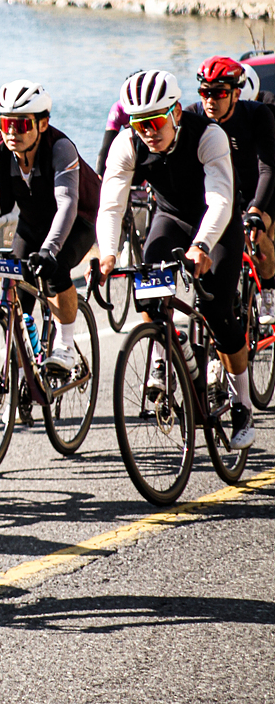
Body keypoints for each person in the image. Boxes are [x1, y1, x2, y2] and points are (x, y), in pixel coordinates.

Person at [97, 70, 254, 448]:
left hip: (216, 224)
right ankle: (164, 351)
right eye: (139, 123)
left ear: (176, 113)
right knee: (148, 287)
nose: (147, 132)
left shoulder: (208, 135)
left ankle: (242, 405)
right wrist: (107, 254)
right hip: (171, 218)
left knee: (218, 312)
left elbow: (220, 200)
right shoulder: (127, 143)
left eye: (155, 121)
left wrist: (202, 245)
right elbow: (111, 205)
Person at [0, 82, 100, 372]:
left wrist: (50, 251)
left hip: (77, 220)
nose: (12, 132)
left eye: (22, 124)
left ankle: (65, 346)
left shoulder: (60, 149)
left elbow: (67, 204)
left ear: (43, 124)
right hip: (32, 223)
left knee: (56, 272)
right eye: (6, 124)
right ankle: (21, 364)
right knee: (16, 282)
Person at [192, 57, 275, 327]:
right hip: (220, 195)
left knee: (257, 233)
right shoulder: (194, 116)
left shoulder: (257, 114)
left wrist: (256, 210)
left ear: (236, 94)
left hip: (257, 192)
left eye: (218, 93)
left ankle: (269, 289)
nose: (210, 100)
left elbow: (268, 168)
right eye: (205, 92)